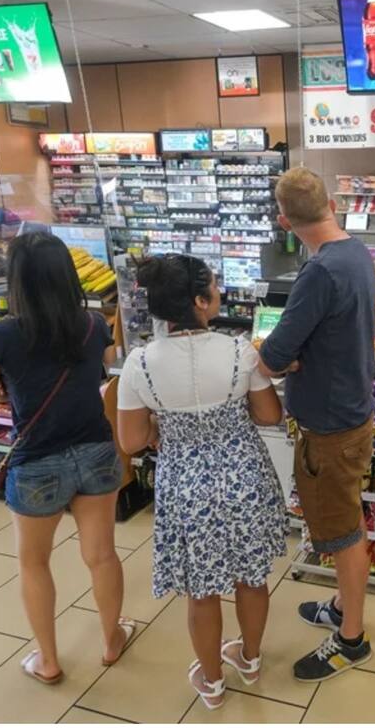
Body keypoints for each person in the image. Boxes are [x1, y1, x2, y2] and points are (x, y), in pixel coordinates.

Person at [117, 254, 286, 710]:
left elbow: (131, 440)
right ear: (199, 301)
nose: (218, 292)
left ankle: (210, 682)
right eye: (213, 286)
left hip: (185, 484)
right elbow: (270, 415)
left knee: (201, 589)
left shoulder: (139, 364)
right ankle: (249, 660)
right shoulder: (238, 350)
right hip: (243, 474)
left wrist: (162, 429)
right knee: (252, 576)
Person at [0, 233, 131, 686]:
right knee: (102, 555)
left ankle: (48, 659)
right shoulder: (90, 324)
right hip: (97, 451)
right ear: (67, 275)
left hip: (35, 461)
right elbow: (104, 363)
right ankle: (110, 640)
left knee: (34, 562)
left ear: (16, 281)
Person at [257, 167, 375, 682]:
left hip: (329, 427)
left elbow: (274, 355)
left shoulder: (319, 271)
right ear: (329, 202)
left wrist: (282, 355)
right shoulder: (356, 251)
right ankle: (341, 607)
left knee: (343, 533)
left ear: (285, 220)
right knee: (347, 518)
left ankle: (351, 639)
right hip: (352, 410)